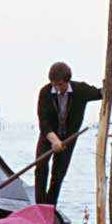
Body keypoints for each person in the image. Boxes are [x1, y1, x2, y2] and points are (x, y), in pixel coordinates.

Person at [34, 61, 102, 205]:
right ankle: (39, 206)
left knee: (57, 176)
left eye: (60, 84)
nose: (57, 88)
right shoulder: (45, 93)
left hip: (68, 140)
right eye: (54, 84)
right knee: (40, 167)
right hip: (48, 137)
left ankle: (50, 207)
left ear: (67, 81)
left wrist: (108, 85)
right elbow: (43, 121)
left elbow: (100, 93)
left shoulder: (80, 90)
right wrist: (54, 141)